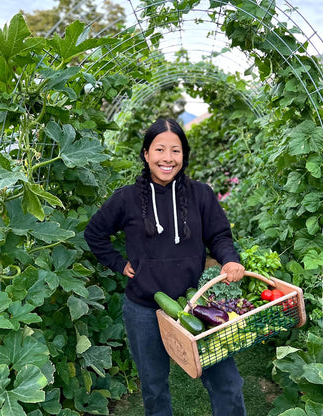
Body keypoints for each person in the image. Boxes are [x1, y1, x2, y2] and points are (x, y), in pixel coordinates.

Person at [84, 118, 247, 416]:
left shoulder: (201, 194)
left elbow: (220, 236)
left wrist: (230, 258)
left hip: (199, 306)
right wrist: (119, 264)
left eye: (176, 150)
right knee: (155, 388)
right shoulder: (127, 198)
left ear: (184, 155)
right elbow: (95, 233)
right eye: (160, 149)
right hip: (144, 308)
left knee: (228, 383)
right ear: (146, 154)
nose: (168, 158)